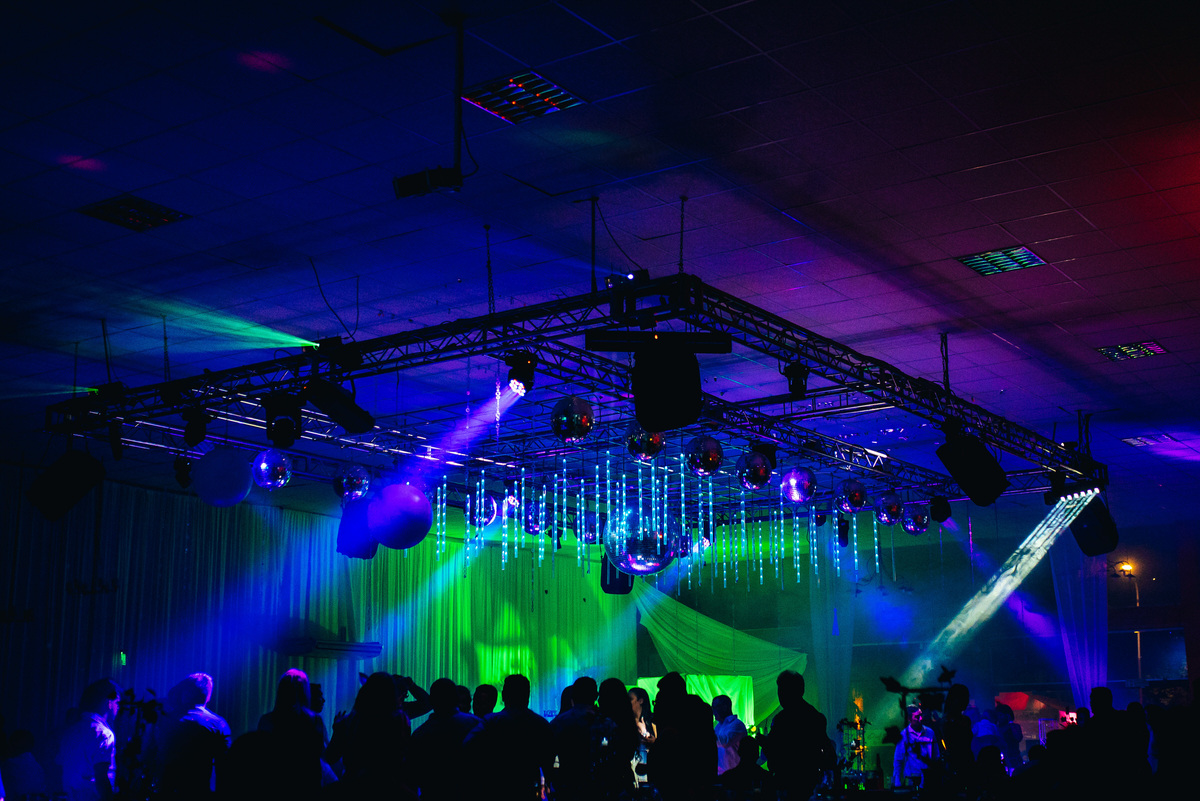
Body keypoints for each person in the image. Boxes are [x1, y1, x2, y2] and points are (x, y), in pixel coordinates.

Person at [325, 672, 414, 799]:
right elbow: (402, 756)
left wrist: (337, 731)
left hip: (353, 787)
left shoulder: (348, 721)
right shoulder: (398, 719)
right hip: (388, 787)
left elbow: (330, 757)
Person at [465, 674, 553, 801]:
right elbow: (548, 761)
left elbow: (468, 746)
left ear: (504, 695)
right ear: (527, 696)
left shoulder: (490, 722)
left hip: (493, 790)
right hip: (526, 791)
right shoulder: (541, 724)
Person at [159, 673, 231, 798]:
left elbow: (152, 753)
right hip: (199, 791)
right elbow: (224, 766)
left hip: (167, 790)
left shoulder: (167, 719)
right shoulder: (218, 724)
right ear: (208, 696)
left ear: (185, 693)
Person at [408, 678, 481, 801]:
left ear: (432, 700)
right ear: (456, 699)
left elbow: (413, 776)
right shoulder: (476, 724)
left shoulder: (420, 734)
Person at [764, 670, 829, 801]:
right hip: (810, 783)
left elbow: (774, 753)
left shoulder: (781, 720)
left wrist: (765, 743)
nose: (780, 696)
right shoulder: (815, 717)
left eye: (782, 691)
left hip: (786, 784)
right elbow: (827, 754)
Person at [57, 678, 121, 801]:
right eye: (117, 702)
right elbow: (101, 777)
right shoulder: (104, 734)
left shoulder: (71, 731)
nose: (119, 707)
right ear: (109, 702)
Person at [892, 706, 939, 789]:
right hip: (911, 779)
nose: (921, 718)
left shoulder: (930, 733)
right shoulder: (904, 735)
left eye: (921, 715)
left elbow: (936, 756)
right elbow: (898, 759)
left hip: (928, 778)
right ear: (909, 719)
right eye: (917, 717)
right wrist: (897, 781)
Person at [712, 694, 747, 775]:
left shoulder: (737, 724)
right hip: (721, 773)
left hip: (736, 774)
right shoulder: (718, 726)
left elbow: (725, 742)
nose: (713, 711)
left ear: (725, 707)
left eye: (715, 707)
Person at [629, 686, 655, 783]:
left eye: (630, 699)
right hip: (633, 764)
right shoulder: (627, 722)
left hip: (648, 764)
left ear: (640, 701)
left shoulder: (652, 721)